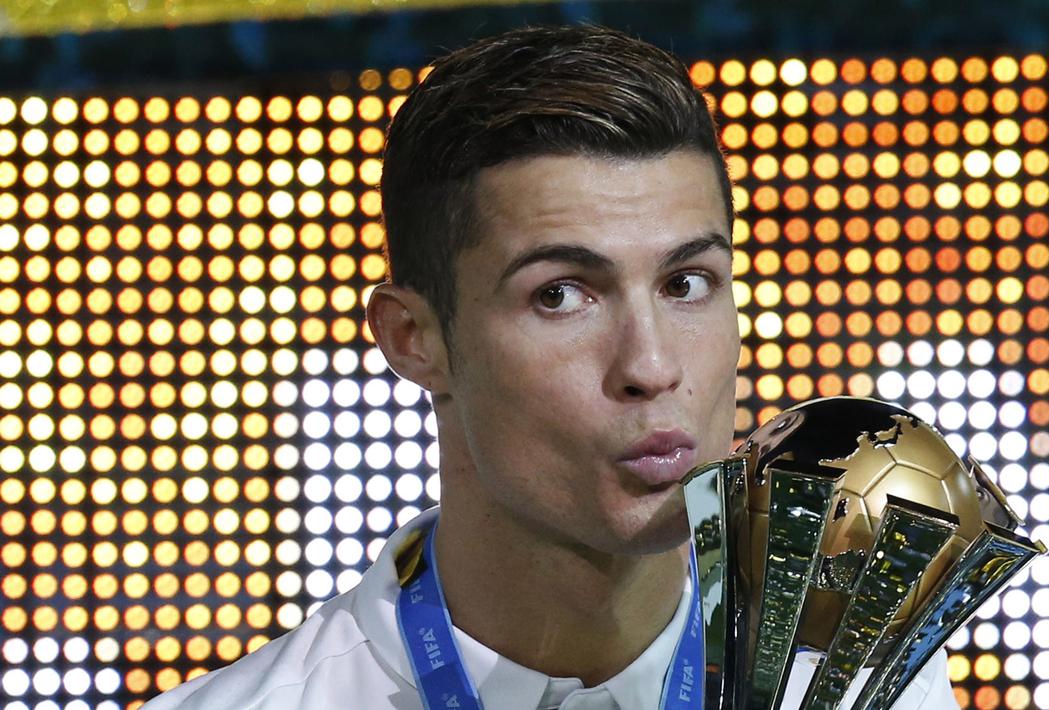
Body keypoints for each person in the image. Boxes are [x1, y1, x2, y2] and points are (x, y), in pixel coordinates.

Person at [143, 25, 957, 710]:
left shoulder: (868, 691)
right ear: (412, 339)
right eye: (562, 294)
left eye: (685, 283)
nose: (650, 364)